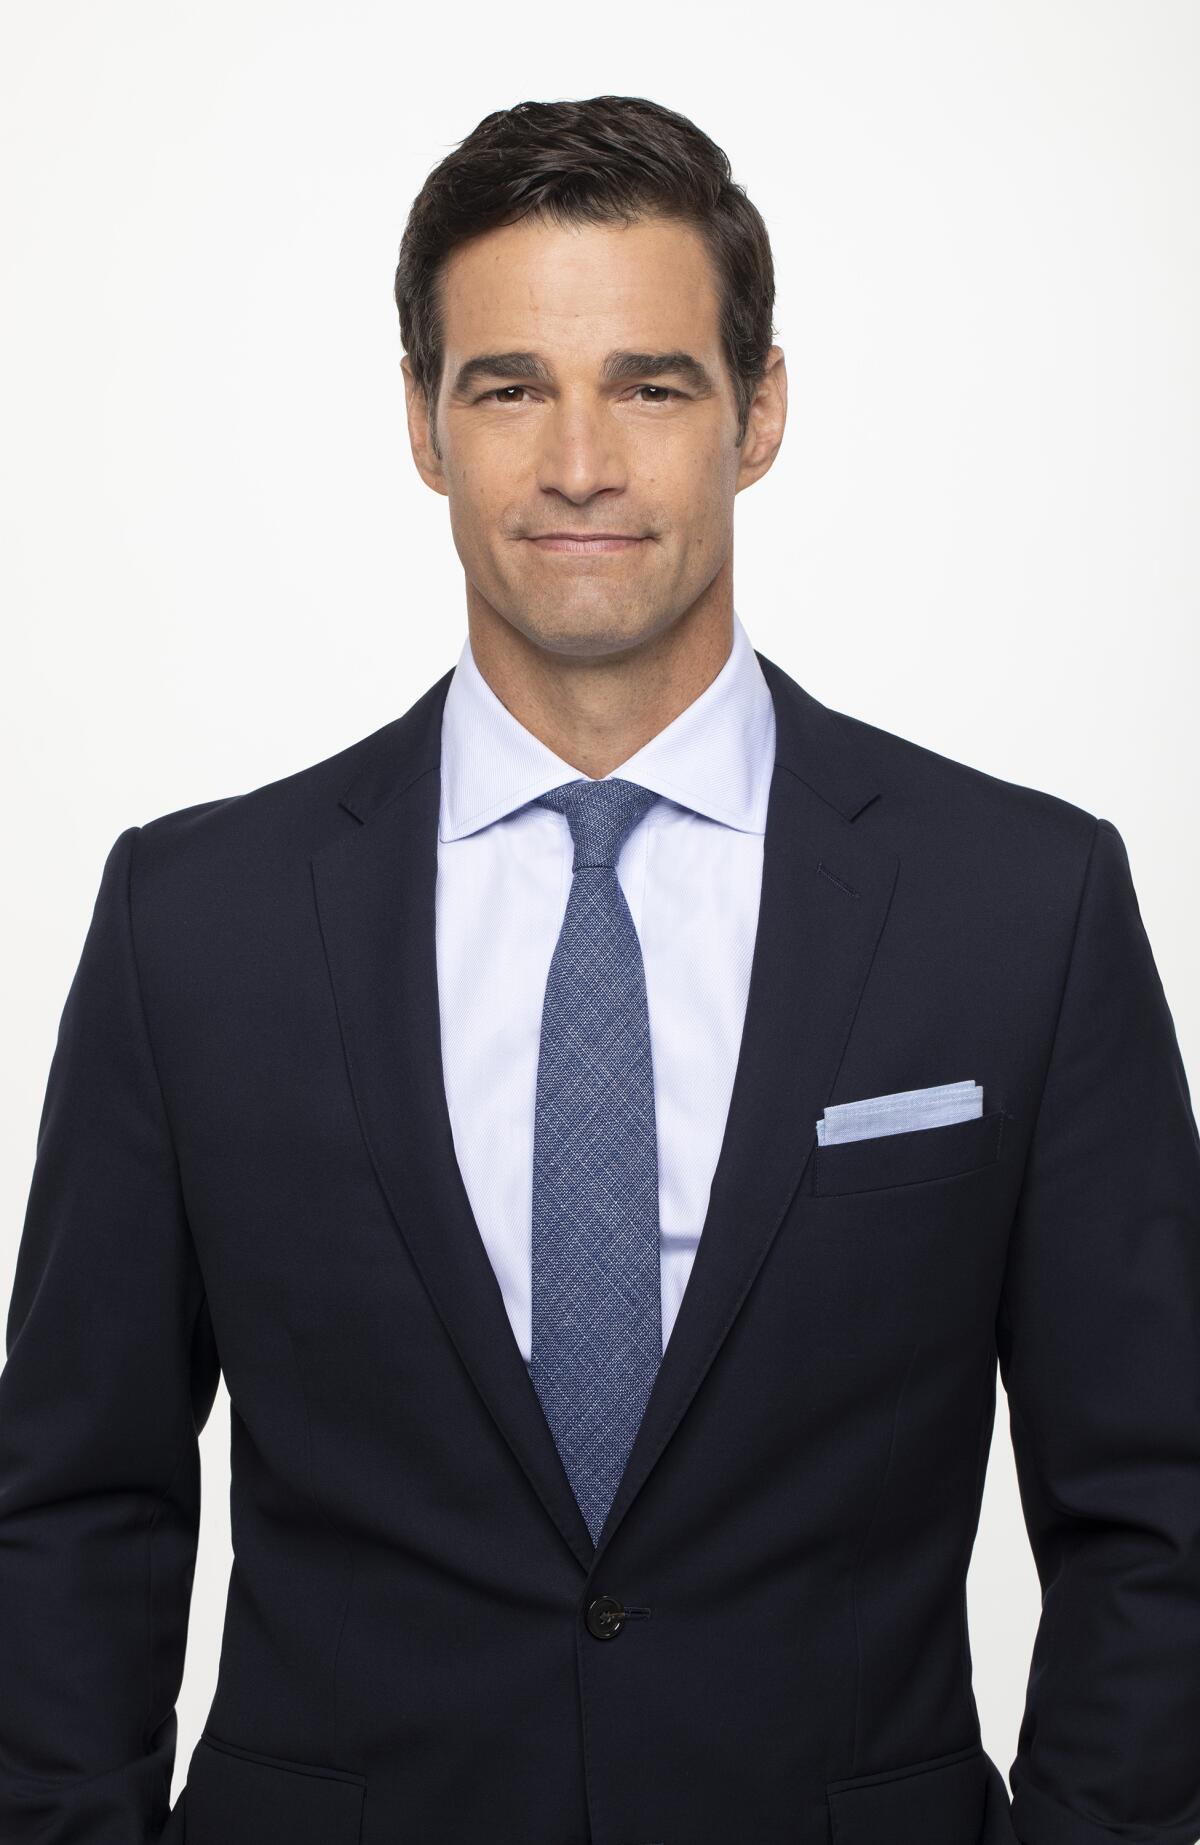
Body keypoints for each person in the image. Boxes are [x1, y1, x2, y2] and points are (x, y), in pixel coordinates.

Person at [1, 92, 1197, 1845]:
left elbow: (1161, 1506)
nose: (580, 462)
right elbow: (72, 1510)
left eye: (651, 382)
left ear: (760, 409)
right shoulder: (198, 919)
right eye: (508, 388)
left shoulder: (1024, 903)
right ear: (422, 422)